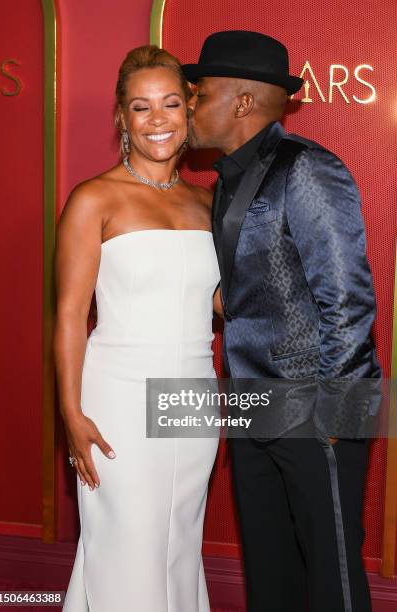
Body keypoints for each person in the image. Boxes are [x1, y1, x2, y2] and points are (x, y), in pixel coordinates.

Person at [182, 30, 381, 612]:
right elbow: (248, 293)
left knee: (331, 577)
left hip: (318, 407)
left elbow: (348, 298)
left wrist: (337, 411)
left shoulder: (308, 169)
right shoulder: (226, 182)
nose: (190, 105)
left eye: (200, 92)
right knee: (270, 572)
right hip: (251, 404)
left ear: (242, 102)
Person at [54, 45, 222, 612]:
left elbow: (222, 302)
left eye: (171, 104)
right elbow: (71, 315)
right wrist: (72, 414)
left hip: (196, 395)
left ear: (189, 109)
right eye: (141, 107)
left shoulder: (207, 202)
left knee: (178, 543)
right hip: (119, 398)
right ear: (121, 119)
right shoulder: (94, 199)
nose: (158, 120)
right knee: (126, 544)